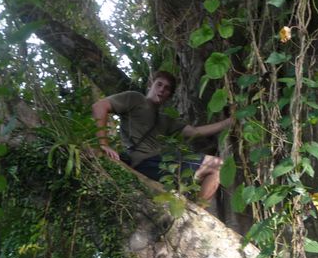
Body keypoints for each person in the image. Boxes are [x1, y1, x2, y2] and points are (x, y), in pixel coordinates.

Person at [92, 70, 233, 202]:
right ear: (150, 85)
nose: (161, 90)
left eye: (166, 88)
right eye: (158, 84)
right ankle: (199, 212)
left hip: (160, 165)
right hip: (143, 162)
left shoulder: (165, 120)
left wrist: (229, 122)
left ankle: (198, 211)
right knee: (217, 165)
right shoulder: (135, 98)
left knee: (219, 167)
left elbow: (194, 132)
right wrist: (104, 144)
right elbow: (100, 106)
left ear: (169, 95)